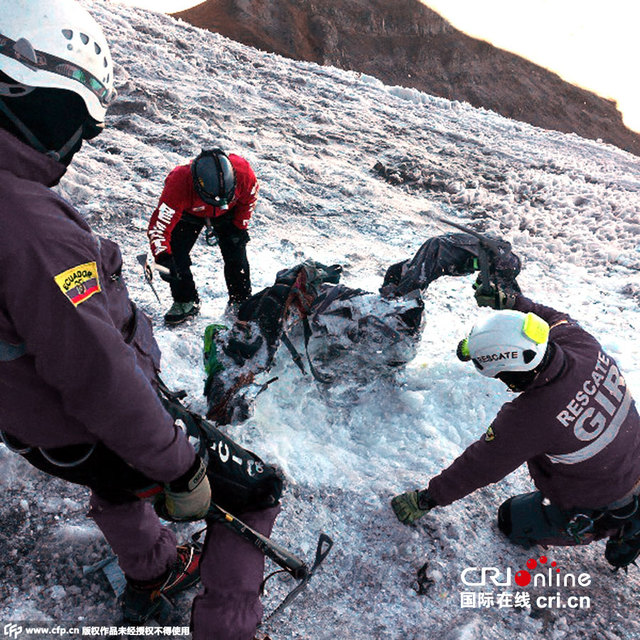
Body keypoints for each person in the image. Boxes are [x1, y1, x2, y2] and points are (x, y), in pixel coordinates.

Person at [0, 0, 211, 623]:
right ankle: (168, 581)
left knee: (115, 482)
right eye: (75, 121)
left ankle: (146, 555)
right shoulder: (33, 229)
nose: (76, 145)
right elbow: (99, 375)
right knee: (149, 478)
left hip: (29, 418)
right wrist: (180, 464)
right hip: (74, 424)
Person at [391, 287, 640, 571]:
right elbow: (553, 318)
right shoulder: (580, 343)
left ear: (512, 375)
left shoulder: (531, 417)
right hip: (632, 455)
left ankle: (622, 527)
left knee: (511, 520)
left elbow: (479, 466)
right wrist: (514, 303)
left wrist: (427, 499)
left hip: (601, 499)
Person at [147, 148, 259, 324]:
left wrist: (240, 226)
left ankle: (241, 299)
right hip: (189, 213)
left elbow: (249, 199)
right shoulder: (178, 182)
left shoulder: (244, 172)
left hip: (229, 211)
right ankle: (185, 300)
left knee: (236, 252)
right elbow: (159, 228)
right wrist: (162, 257)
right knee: (175, 256)